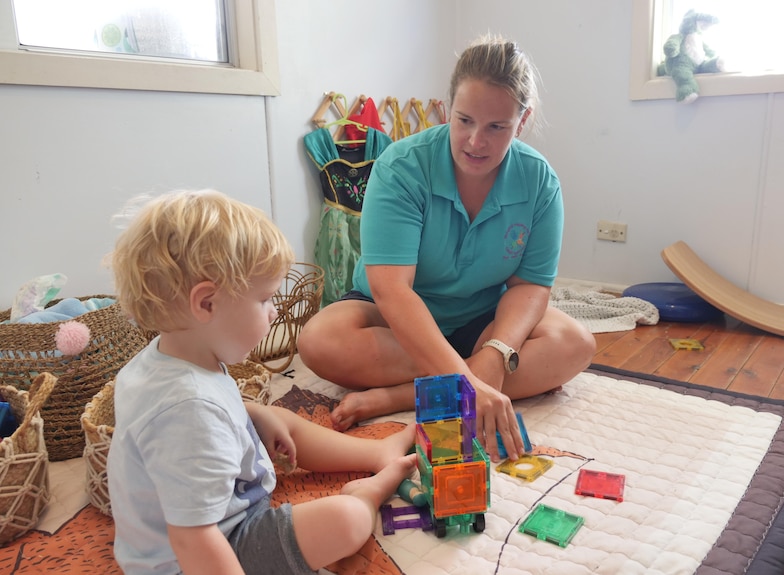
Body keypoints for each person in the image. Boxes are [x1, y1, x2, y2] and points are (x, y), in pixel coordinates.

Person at [297, 34, 596, 463]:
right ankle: (461, 381)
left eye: (497, 127)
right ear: (449, 106)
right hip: (393, 315)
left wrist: (497, 352)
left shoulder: (539, 181)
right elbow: (393, 290)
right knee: (320, 340)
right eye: (464, 120)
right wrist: (476, 381)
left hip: (481, 318)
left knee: (576, 343)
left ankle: (406, 396)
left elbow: (530, 285)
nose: (476, 141)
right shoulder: (401, 167)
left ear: (523, 120)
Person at [107, 189, 416, 575]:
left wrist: (254, 415)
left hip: (216, 518)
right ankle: (367, 492)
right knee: (348, 518)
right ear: (206, 303)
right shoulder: (188, 411)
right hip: (204, 554)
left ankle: (375, 453)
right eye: (265, 299)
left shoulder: (167, 359)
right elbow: (194, 539)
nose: (273, 312)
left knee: (273, 417)